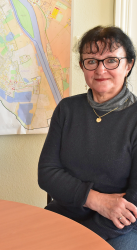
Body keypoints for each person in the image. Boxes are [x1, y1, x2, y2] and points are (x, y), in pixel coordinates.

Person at [38, 26, 137, 250]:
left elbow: (134, 201)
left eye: (111, 60)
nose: (100, 70)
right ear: (83, 66)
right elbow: (47, 173)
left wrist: (83, 238)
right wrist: (96, 200)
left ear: (128, 65)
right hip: (63, 215)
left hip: (117, 227)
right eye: (91, 61)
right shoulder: (67, 109)